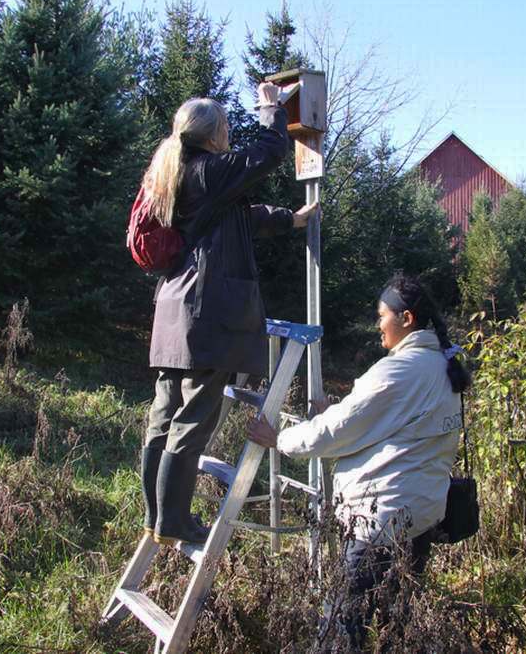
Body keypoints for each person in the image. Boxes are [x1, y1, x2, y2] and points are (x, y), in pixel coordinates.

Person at [246, 273, 470, 643]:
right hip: (421, 519)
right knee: (396, 628)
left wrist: (279, 439)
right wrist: (338, 408)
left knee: (342, 632)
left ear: (406, 319)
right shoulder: (442, 368)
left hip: (379, 524)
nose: (377, 325)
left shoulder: (399, 370)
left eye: (382, 315)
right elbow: (399, 429)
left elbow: (337, 430)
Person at [142, 83, 318, 547]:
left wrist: (290, 219)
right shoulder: (208, 170)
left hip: (175, 311)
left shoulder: (180, 174)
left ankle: (155, 515)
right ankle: (173, 522)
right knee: (193, 419)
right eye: (224, 127)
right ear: (214, 133)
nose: (228, 135)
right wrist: (271, 109)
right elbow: (268, 151)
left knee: (165, 414)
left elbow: (243, 216)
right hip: (207, 313)